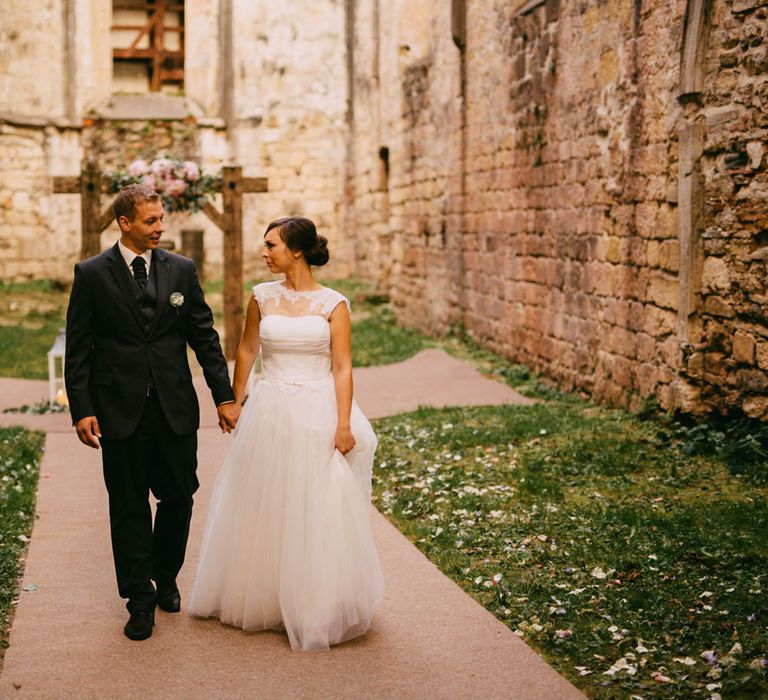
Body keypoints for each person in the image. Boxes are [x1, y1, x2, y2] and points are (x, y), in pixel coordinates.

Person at [190, 216, 384, 651]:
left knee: (316, 503)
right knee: (266, 499)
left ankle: (317, 601)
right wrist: (233, 400)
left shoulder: (334, 304)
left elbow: (342, 366)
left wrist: (342, 423)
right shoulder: (262, 297)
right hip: (271, 407)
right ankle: (267, 598)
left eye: (271, 245)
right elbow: (246, 348)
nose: (265, 252)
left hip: (317, 409)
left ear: (296, 250)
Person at [64, 183, 240, 641]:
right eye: (151, 221)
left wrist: (223, 396)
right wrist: (81, 408)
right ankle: (139, 599)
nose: (161, 227)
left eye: (162, 219)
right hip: (118, 409)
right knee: (128, 507)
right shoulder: (92, 274)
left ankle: (167, 576)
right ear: (125, 224)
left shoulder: (181, 270)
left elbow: (204, 336)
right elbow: (79, 348)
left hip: (174, 408)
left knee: (179, 496)